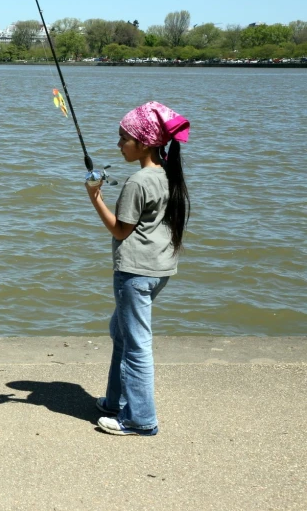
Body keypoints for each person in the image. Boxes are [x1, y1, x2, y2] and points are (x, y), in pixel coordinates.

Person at [85, 101, 191, 436]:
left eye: (123, 138)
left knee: (135, 344)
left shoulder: (138, 182)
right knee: (120, 332)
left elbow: (120, 230)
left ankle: (140, 419)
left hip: (135, 272)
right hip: (159, 269)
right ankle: (115, 401)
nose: (119, 144)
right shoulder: (167, 174)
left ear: (144, 142)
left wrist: (95, 197)